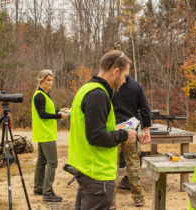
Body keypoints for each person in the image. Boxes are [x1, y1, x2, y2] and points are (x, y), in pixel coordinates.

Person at [67, 50, 144, 209]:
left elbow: (93, 128)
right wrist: (124, 134)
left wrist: (115, 130)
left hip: (87, 169)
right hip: (97, 175)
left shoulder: (86, 89)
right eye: (124, 76)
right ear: (116, 72)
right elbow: (96, 136)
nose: (124, 81)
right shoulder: (98, 95)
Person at [111, 76, 151, 208]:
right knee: (133, 165)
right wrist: (146, 130)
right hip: (131, 131)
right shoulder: (136, 86)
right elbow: (145, 108)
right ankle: (138, 198)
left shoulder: (109, 84)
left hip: (113, 132)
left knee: (111, 166)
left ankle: (110, 201)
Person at [31, 69, 69, 202]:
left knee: (41, 162)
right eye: (48, 80)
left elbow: (48, 111)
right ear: (41, 80)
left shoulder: (45, 94)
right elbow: (42, 114)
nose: (50, 82)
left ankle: (38, 188)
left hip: (44, 133)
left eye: (52, 80)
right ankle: (47, 192)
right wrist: (59, 116)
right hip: (45, 134)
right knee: (53, 162)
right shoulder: (39, 95)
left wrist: (60, 111)